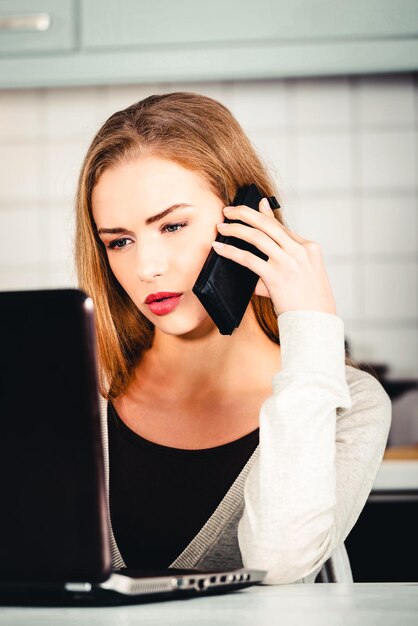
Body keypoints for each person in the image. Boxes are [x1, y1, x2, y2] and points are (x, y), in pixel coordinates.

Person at [75, 92, 391, 584]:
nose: (146, 268)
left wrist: (310, 322)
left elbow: (279, 564)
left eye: (173, 225)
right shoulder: (74, 391)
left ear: (250, 219)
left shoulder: (350, 404)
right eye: (120, 240)